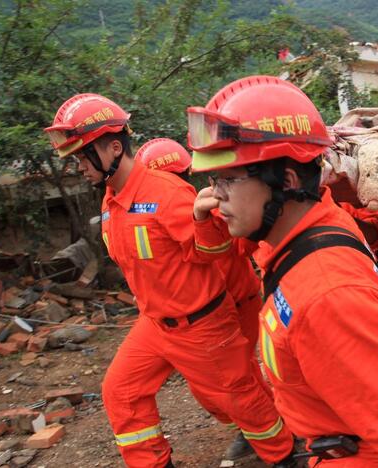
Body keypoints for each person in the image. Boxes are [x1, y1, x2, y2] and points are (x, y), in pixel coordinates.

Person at [188, 75, 378, 466]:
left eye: (229, 179)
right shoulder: (305, 233)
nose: (216, 193)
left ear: (286, 181)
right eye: (214, 179)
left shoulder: (325, 294)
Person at [44, 95, 297, 467]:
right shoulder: (111, 202)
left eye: (83, 156)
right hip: (155, 325)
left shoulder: (165, 192)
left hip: (201, 325)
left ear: (113, 147)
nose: (79, 167)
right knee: (122, 390)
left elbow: (210, 252)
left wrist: (199, 219)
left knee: (239, 399)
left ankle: (286, 455)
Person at [134, 138, 268, 461]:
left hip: (241, 302)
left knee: (242, 380)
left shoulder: (217, 211)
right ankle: (255, 424)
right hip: (209, 316)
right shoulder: (158, 221)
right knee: (213, 391)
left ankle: (267, 435)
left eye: (177, 179)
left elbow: (251, 243)